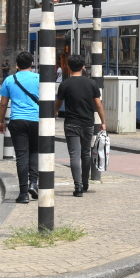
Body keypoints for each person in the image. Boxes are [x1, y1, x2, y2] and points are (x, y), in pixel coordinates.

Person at [56, 55, 107, 197]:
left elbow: (58, 104)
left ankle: (78, 187)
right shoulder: (91, 84)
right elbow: (98, 105)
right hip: (88, 123)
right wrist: (103, 122)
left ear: (68, 67)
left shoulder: (65, 84)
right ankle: (85, 183)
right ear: (84, 67)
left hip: (71, 123)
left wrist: (54, 113)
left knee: (74, 156)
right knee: (86, 154)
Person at [0, 52, 40, 203]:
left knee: (21, 156)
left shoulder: (9, 80)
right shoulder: (39, 78)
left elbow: (3, 103)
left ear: (16, 65)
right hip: (36, 120)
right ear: (32, 64)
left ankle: (23, 194)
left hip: (17, 120)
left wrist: (1, 121)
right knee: (34, 152)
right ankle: (34, 183)